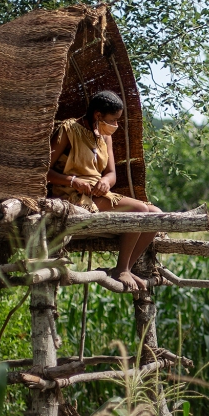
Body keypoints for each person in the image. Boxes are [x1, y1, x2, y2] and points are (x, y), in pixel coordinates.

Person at [47, 90, 162, 292]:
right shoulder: (69, 130)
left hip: (97, 194)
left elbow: (111, 173)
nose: (115, 125)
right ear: (98, 115)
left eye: (118, 120)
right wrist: (73, 181)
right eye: (113, 120)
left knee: (155, 215)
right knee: (139, 210)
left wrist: (106, 183)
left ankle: (125, 267)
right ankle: (122, 269)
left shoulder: (104, 137)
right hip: (70, 196)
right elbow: (42, 171)